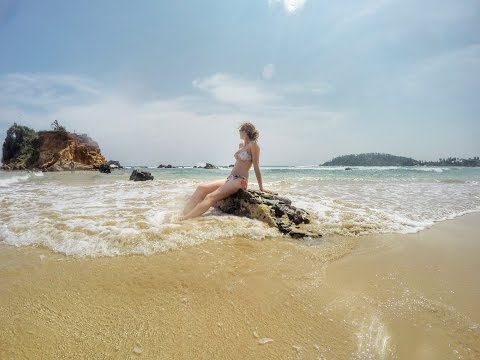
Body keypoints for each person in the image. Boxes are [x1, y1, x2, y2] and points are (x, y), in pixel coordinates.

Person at [181, 122, 269, 220]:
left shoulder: (254, 145)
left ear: (245, 131)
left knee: (210, 197)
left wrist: (261, 187)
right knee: (201, 188)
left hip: (240, 180)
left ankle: (185, 219)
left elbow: (256, 166)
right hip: (230, 178)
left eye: (240, 130)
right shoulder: (241, 145)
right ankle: (184, 214)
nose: (239, 133)